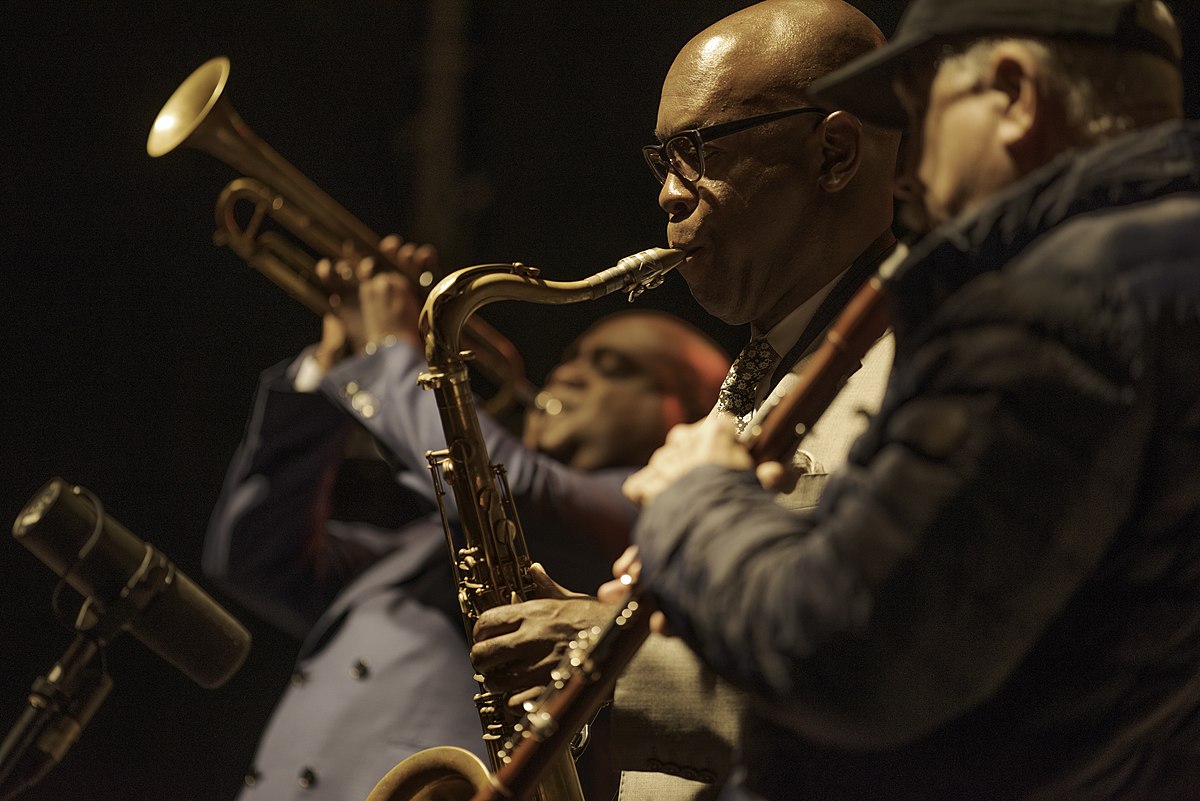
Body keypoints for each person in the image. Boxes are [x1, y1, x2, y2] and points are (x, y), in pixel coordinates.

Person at [623, 0, 1200, 798]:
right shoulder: (1161, 269)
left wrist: (695, 503)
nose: (904, 169)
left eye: (921, 112)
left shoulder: (1050, 302)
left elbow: (847, 649)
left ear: (1012, 93)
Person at [468, 2, 901, 798]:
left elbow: (904, 706)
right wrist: (593, 635)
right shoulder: (758, 374)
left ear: (835, 153)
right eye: (661, 161)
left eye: (697, 152)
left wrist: (615, 666)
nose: (669, 195)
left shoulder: (918, 371)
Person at [203, 239, 730, 801]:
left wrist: (386, 350)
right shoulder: (420, 548)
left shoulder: (645, 520)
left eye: (612, 366)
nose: (569, 374)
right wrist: (330, 370)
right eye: (571, 357)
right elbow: (255, 557)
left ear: (692, 412)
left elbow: (516, 491)